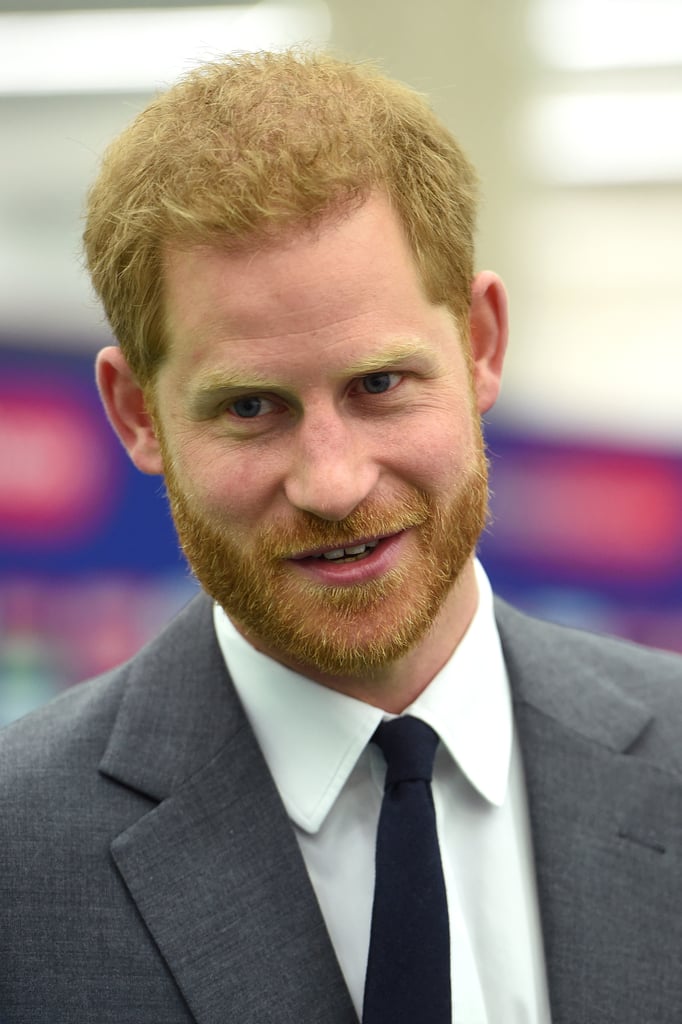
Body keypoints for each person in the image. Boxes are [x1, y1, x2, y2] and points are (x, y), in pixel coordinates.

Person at [0, 50, 680, 1024]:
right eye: (248, 407)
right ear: (137, 414)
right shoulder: (17, 855)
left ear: (481, 344)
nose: (332, 482)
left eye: (379, 385)